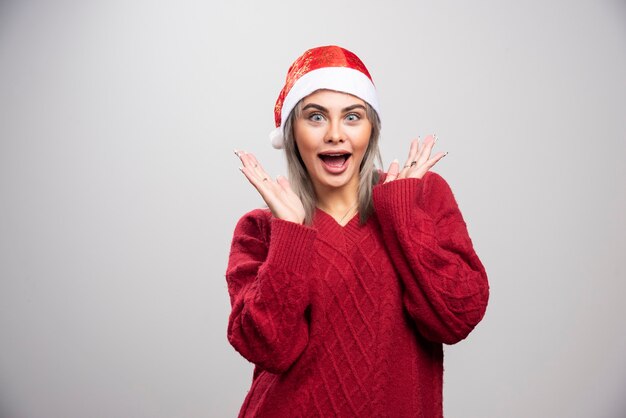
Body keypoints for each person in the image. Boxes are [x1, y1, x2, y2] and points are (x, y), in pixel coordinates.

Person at [226, 45, 489, 417]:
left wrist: (400, 213)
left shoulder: (421, 198)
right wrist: (289, 235)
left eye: (352, 117)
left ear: (371, 129)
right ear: (292, 132)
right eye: (315, 117)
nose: (335, 134)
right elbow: (271, 350)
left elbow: (455, 318)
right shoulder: (260, 230)